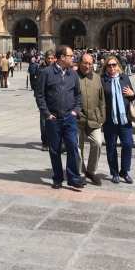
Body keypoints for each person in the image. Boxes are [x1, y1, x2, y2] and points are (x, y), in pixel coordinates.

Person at [34, 45, 84, 190]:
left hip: (69, 117)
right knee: (55, 149)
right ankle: (57, 178)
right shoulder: (46, 73)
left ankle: (73, 178)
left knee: (72, 147)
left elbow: (78, 95)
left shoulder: (72, 74)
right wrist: (46, 114)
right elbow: (39, 95)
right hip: (53, 119)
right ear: (62, 57)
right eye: (70, 56)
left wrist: (75, 111)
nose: (73, 58)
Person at [101, 56, 135, 184]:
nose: (112, 67)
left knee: (128, 144)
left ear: (118, 66)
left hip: (124, 119)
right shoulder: (102, 80)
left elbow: (132, 95)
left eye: (114, 65)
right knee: (111, 147)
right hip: (110, 120)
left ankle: (124, 171)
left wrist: (132, 95)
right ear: (106, 67)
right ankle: (114, 173)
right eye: (109, 65)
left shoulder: (124, 78)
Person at [76, 53, 104, 185]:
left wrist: (102, 116)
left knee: (97, 143)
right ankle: (80, 172)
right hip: (77, 119)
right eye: (85, 63)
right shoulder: (73, 77)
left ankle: (91, 171)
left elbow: (102, 99)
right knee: (77, 147)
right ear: (79, 63)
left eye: (90, 63)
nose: (87, 66)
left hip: (94, 118)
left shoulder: (97, 78)